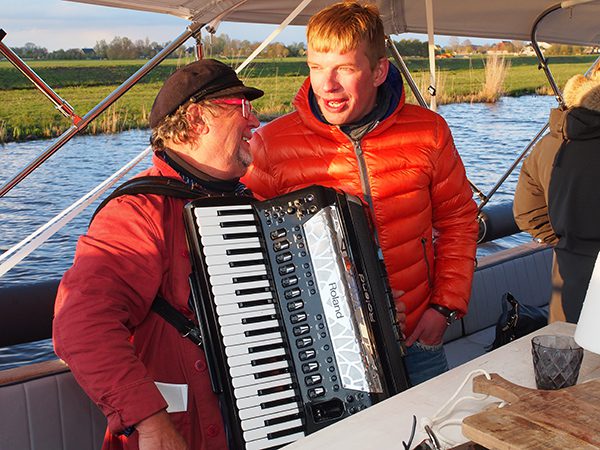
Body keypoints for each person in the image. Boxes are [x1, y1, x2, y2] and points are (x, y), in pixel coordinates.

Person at [242, 1, 478, 386]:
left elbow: (459, 221)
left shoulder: (429, 132)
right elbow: (253, 253)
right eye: (316, 67)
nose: (327, 85)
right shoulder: (271, 145)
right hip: (329, 352)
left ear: (379, 70)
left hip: (419, 337)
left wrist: (444, 308)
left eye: (344, 69)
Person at [53, 59, 263, 450]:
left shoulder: (255, 207)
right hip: (188, 435)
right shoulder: (139, 212)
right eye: (244, 109)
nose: (255, 123)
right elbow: (80, 324)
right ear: (198, 119)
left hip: (268, 424)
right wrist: (150, 423)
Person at [514, 66, 600, 324]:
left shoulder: (547, 144)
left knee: (572, 360)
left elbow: (526, 213)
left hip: (570, 281)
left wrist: (567, 241)